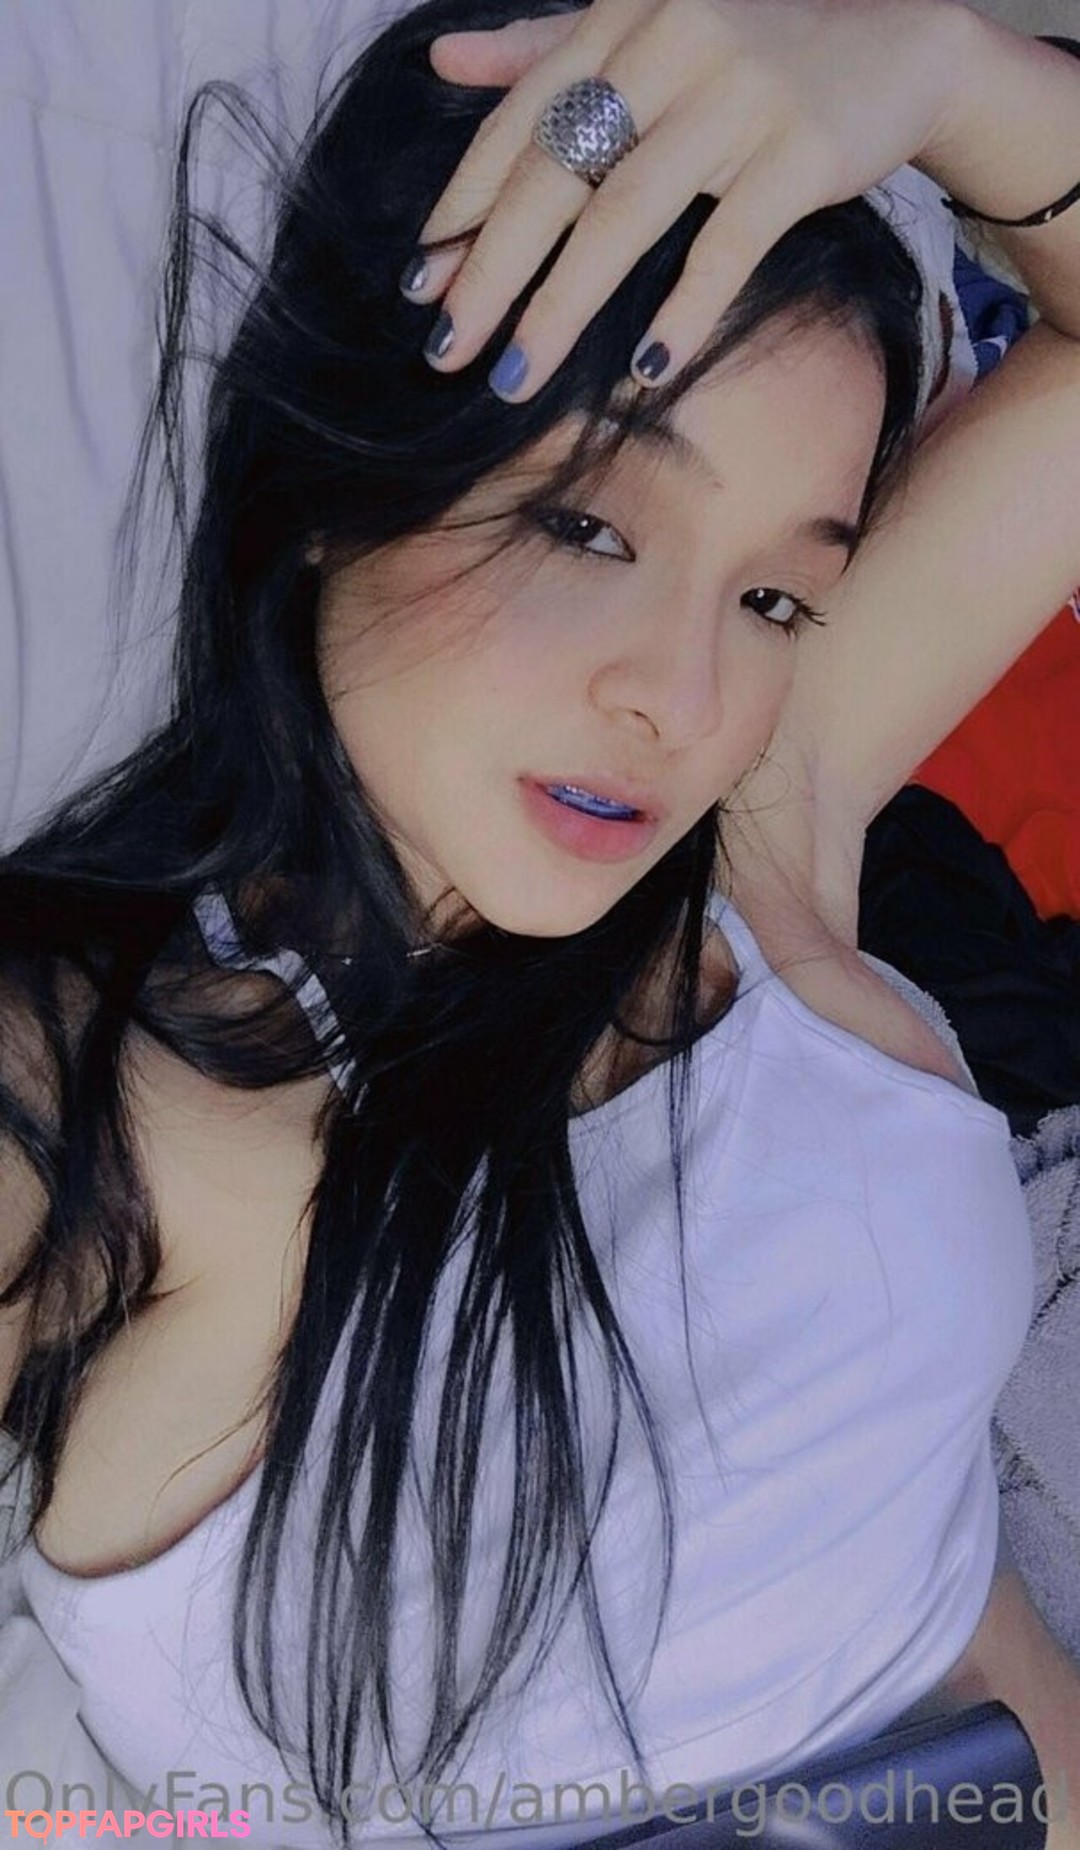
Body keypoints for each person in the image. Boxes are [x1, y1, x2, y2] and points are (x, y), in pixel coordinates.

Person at [1, 0, 1079, 1843]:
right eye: (588, 527)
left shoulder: (754, 823)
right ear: (341, 477)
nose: (682, 698)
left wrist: (943, 72)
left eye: (777, 597)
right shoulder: (109, 1102)